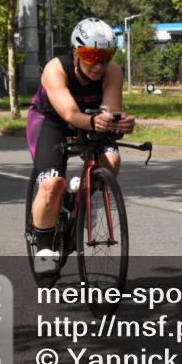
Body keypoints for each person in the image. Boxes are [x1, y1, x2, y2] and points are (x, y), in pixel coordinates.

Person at [26, 18, 136, 273]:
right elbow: (70, 115)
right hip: (51, 119)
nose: (98, 65)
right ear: (77, 52)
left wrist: (120, 123)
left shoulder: (113, 72)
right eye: (90, 56)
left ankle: (79, 202)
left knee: (112, 160)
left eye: (106, 56)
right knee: (52, 185)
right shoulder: (55, 69)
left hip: (90, 118)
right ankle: (43, 245)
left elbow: (110, 110)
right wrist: (96, 121)